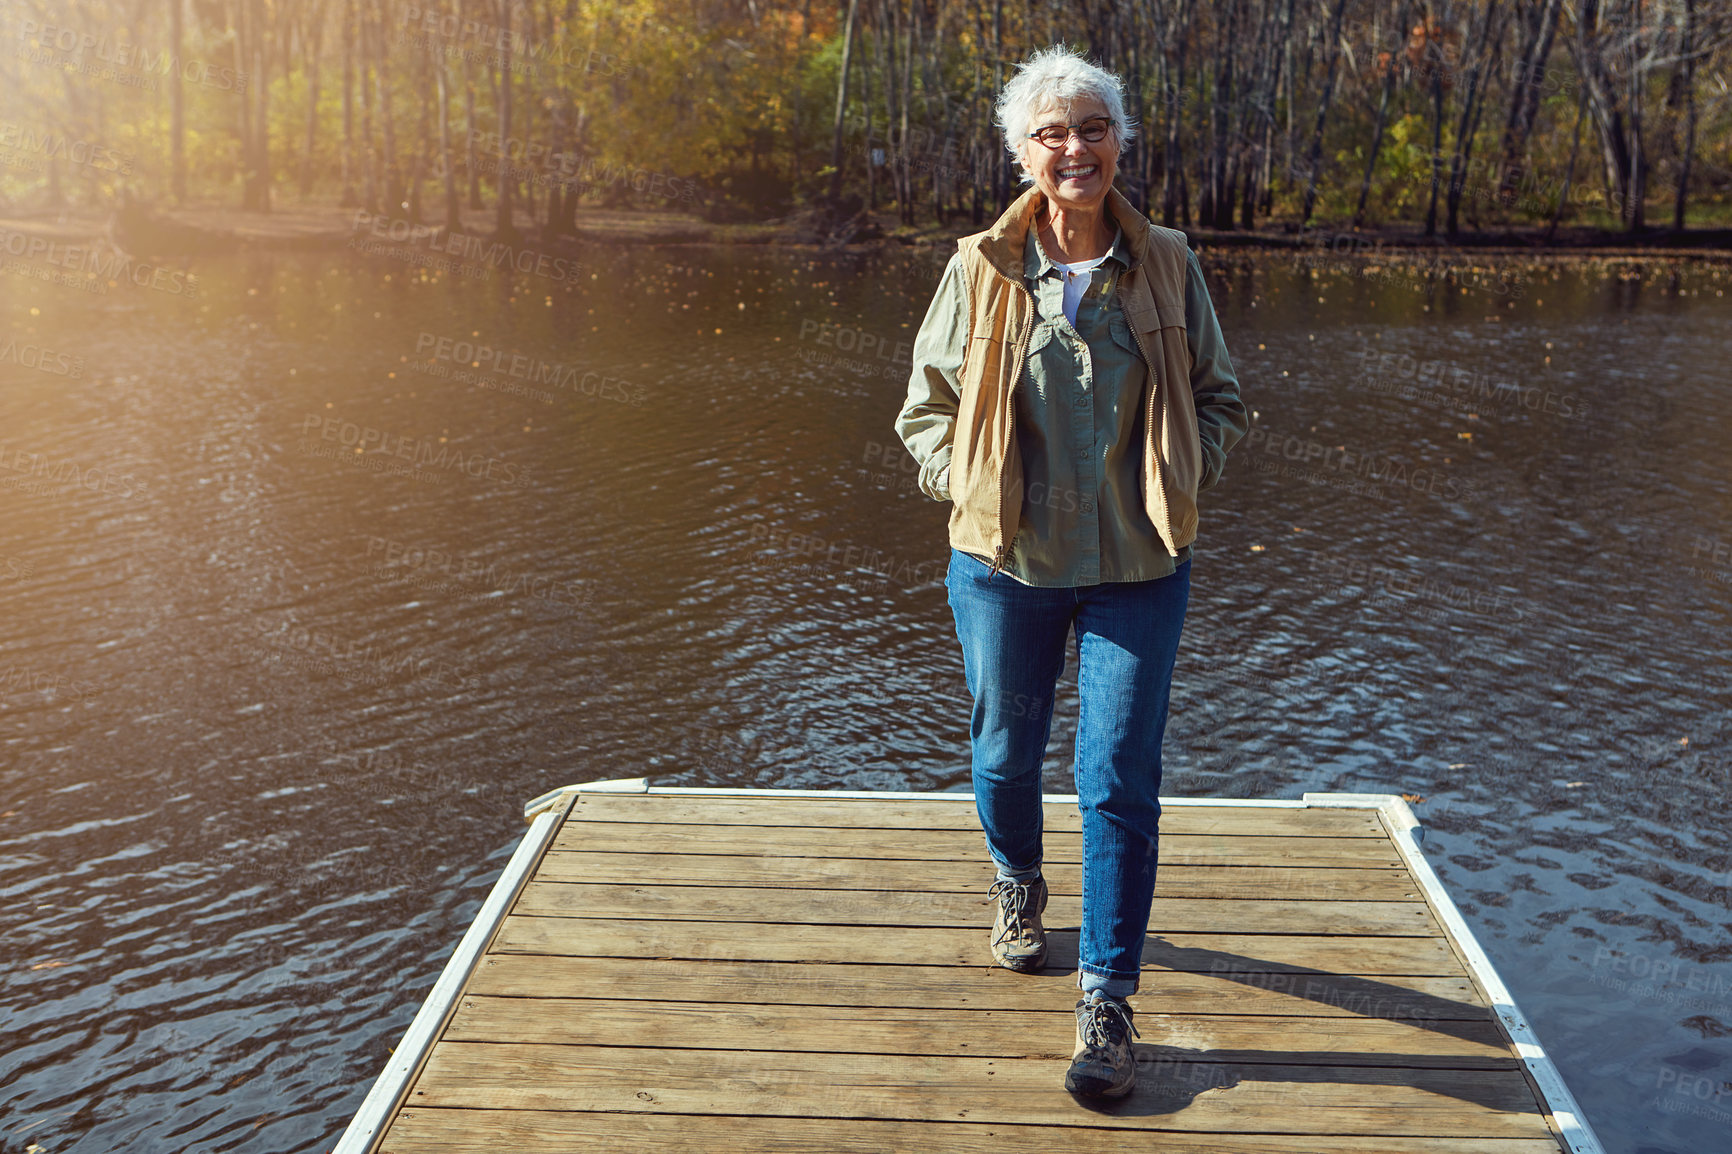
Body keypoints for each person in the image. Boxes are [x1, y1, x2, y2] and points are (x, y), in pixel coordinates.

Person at [893, 44, 1248, 1099]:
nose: (1074, 147)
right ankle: (1016, 880)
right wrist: (962, 483)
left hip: (1140, 566)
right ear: (1022, 152)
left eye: (1091, 127)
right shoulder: (980, 265)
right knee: (1004, 752)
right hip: (1006, 564)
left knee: (1116, 778)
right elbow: (927, 406)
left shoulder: (1170, 261)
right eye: (1051, 132)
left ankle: (1105, 997)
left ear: (1118, 142)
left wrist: (1186, 470)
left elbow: (1219, 395)